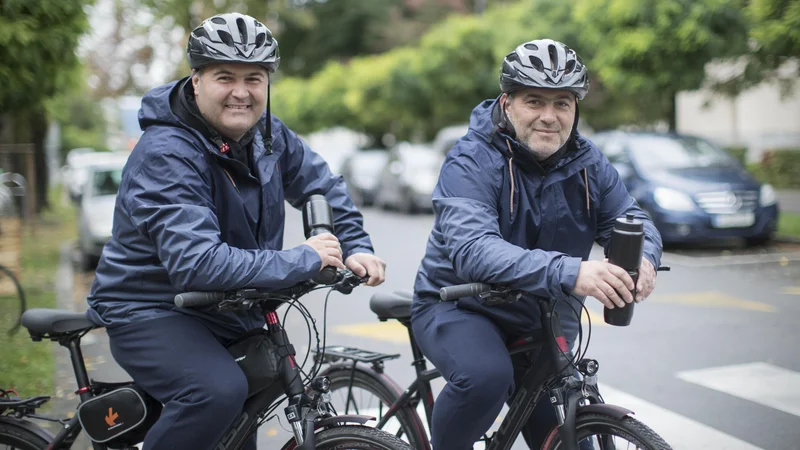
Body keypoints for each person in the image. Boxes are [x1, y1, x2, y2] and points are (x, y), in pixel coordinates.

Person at [86, 12, 386, 450]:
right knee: (216, 391)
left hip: (227, 305)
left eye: (254, 78)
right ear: (196, 81)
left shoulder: (269, 134)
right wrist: (304, 257)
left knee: (239, 421)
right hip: (151, 306)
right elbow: (197, 263)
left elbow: (321, 185)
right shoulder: (167, 153)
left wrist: (355, 246)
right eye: (225, 77)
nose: (241, 92)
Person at [410, 39, 663, 449]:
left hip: (543, 314)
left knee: (567, 428)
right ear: (507, 103)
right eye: (534, 102)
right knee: (486, 377)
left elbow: (631, 220)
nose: (550, 117)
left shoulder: (588, 162)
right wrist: (573, 271)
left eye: (562, 103)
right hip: (459, 304)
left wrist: (644, 258)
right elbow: (473, 249)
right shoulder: (471, 159)